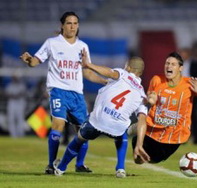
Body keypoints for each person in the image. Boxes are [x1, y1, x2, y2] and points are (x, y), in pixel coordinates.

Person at [20, 11, 107, 174]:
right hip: (58, 91)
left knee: (84, 130)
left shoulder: (83, 47)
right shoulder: (52, 43)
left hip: (77, 95)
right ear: (62, 26)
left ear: (78, 26)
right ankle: (51, 164)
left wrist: (105, 81)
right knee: (57, 126)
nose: (72, 26)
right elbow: (35, 61)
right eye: (69, 23)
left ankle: (80, 164)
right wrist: (28, 60)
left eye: (75, 23)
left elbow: (86, 72)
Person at [53, 53, 150, 178]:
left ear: (129, 68)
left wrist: (89, 65)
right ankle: (120, 168)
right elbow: (142, 120)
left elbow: (109, 72)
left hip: (98, 119)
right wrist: (139, 144)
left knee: (80, 139)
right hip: (117, 126)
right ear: (140, 73)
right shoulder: (142, 93)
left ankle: (61, 168)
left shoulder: (122, 74)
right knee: (122, 133)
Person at [130, 51, 197, 164]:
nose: (168, 66)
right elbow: (151, 98)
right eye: (167, 63)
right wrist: (151, 99)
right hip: (152, 130)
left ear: (180, 68)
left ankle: (138, 127)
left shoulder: (189, 84)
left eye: (173, 64)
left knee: (153, 160)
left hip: (174, 136)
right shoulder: (156, 80)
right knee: (138, 159)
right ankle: (140, 128)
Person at [5, 72, 27, 138]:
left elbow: (22, 93)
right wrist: (15, 95)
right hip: (12, 103)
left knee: (20, 119)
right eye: (14, 77)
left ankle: (20, 134)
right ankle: (13, 135)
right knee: (11, 119)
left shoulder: (21, 85)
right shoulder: (10, 85)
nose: (15, 79)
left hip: (20, 103)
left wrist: (15, 95)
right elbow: (7, 94)